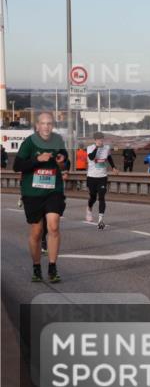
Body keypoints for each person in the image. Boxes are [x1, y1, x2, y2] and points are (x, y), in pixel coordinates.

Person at [12, 112, 69, 283]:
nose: (46, 126)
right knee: (36, 232)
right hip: (32, 193)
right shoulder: (29, 142)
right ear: (37, 126)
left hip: (53, 190)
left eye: (49, 123)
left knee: (53, 226)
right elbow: (17, 166)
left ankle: (52, 267)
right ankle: (37, 267)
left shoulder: (58, 140)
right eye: (43, 123)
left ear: (53, 126)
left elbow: (66, 161)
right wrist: (37, 159)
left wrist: (62, 161)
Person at [85, 132, 117, 228]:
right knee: (93, 197)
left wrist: (113, 167)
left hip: (102, 177)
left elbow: (109, 157)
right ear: (95, 140)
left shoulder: (106, 148)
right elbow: (91, 157)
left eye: (102, 139)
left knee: (102, 197)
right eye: (98, 139)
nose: (100, 141)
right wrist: (97, 147)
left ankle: (100, 220)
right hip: (91, 176)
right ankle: (89, 208)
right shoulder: (90, 148)